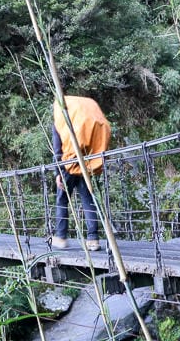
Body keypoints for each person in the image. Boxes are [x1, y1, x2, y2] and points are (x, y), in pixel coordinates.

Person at [51, 95, 110, 251]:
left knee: (62, 199)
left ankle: (61, 237)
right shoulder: (80, 118)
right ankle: (93, 239)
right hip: (87, 162)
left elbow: (57, 149)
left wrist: (58, 172)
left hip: (68, 164)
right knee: (88, 200)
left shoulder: (61, 121)